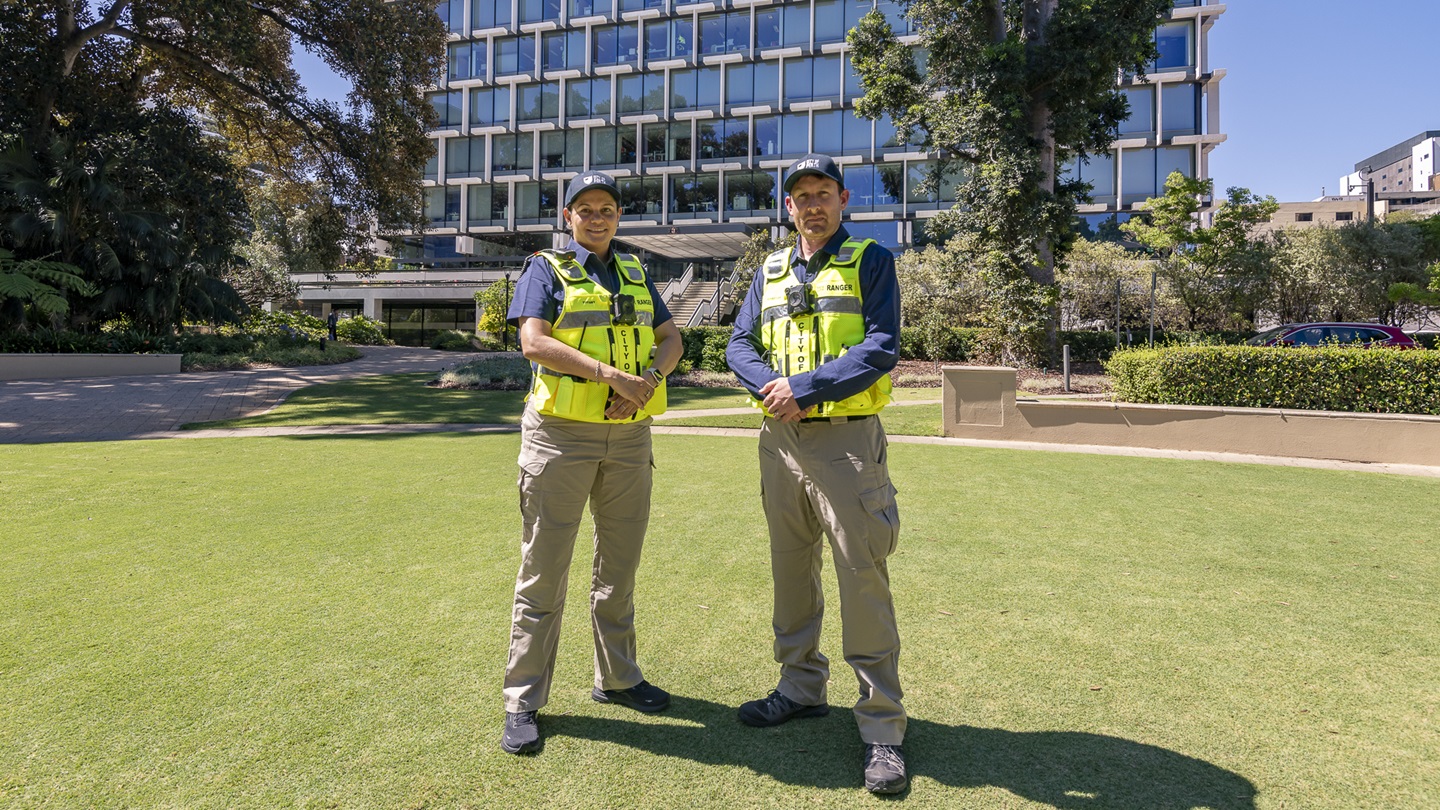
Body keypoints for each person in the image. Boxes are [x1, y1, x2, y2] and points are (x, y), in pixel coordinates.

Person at [725, 154, 908, 794]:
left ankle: (882, 725)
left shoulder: (871, 261)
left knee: (862, 574)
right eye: (801, 195)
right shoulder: (769, 269)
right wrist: (774, 392)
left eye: (822, 193)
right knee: (790, 567)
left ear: (843, 199)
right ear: (788, 207)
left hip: (846, 442)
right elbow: (738, 344)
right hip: (779, 441)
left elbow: (882, 345)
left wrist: (803, 387)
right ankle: (800, 687)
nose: (812, 204)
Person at [500, 171, 683, 755]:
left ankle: (619, 677)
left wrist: (649, 380)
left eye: (607, 208)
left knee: (619, 568)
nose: (597, 217)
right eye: (586, 209)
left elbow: (670, 337)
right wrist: (610, 376)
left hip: (629, 437)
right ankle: (523, 700)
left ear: (619, 216)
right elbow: (534, 341)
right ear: (568, 216)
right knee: (544, 571)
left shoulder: (635, 271)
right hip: (559, 437)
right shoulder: (545, 269)